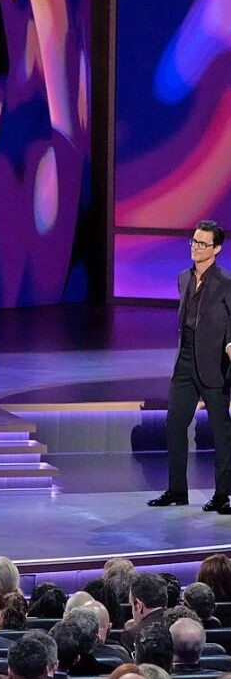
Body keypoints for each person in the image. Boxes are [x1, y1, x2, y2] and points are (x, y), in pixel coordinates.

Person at [148, 219, 231, 512]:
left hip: (215, 365)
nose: (196, 248)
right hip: (184, 362)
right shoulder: (183, 277)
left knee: (221, 431)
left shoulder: (226, 283)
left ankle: (223, 495)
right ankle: (176, 490)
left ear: (217, 249)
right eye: (194, 242)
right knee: (174, 424)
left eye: (203, 244)